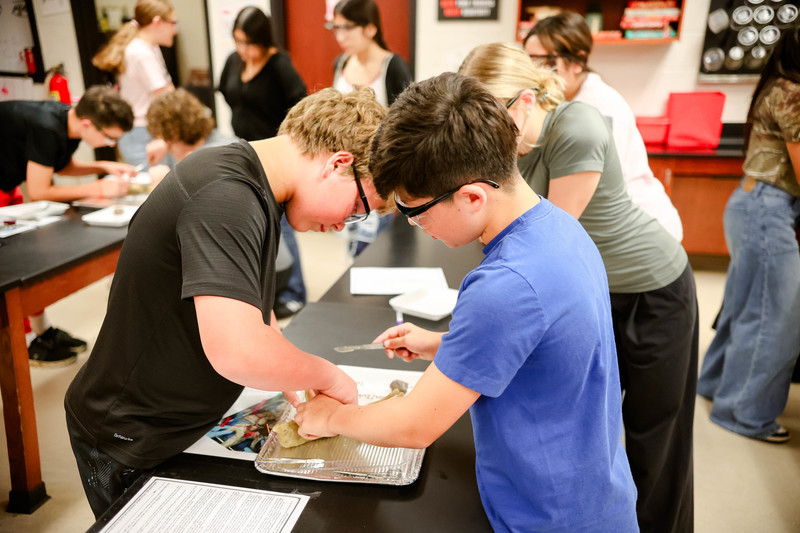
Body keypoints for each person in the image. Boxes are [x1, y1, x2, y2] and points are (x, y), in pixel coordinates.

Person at [294, 72, 638, 532]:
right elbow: (542, 346)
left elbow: (413, 426)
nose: (417, 226)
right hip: (593, 491)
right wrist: (444, 344)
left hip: (548, 516)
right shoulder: (557, 226)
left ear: (472, 196)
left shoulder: (505, 284)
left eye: (414, 212)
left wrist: (332, 414)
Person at [64, 87, 388, 518]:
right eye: (358, 207)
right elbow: (237, 350)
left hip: (178, 420)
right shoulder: (227, 197)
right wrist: (327, 376)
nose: (343, 224)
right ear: (338, 164)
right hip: (131, 434)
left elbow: (254, 309)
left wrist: (295, 385)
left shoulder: (253, 184)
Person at [459, 43, 698, 533]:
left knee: (657, 437)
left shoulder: (577, 125)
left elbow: (548, 241)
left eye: (491, 115)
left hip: (651, 289)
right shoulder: (514, 142)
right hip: (598, 289)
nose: (483, 133)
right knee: (596, 429)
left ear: (525, 101)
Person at [697, 27, 800, 444]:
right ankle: (743, 413)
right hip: (768, 210)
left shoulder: (777, 85)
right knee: (776, 318)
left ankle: (715, 384)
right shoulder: (793, 93)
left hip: (753, 205)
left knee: (746, 306)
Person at [0, 85, 136, 366]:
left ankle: (42, 331)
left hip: (8, 182)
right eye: (109, 138)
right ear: (88, 124)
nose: (111, 144)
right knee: (11, 269)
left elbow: (60, 166)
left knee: (30, 257)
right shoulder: (47, 127)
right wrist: (99, 186)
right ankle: (23, 344)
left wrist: (105, 168)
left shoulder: (69, 122)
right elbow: (39, 190)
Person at [524, 10, 683, 242]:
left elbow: (583, 184)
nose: (534, 72)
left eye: (543, 62)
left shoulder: (600, 108)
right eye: (528, 60)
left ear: (577, 61)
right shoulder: (562, 100)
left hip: (644, 229)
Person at [218, 5, 308, 318]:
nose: (241, 49)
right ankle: (266, 288)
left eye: (247, 42)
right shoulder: (233, 61)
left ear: (262, 39)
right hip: (245, 152)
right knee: (259, 222)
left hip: (276, 156)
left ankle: (295, 292)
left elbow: (300, 106)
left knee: (283, 223)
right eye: (237, 42)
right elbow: (227, 93)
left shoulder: (279, 64)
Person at [330, 0, 413, 255]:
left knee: (378, 250)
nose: (340, 36)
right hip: (344, 173)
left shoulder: (393, 66)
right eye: (335, 28)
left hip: (379, 177)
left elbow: (407, 129)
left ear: (370, 28)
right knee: (352, 247)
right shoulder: (341, 63)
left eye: (347, 28)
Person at [92, 0, 177, 167]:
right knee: (155, 188)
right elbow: (167, 98)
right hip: (143, 134)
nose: (175, 30)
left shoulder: (148, 47)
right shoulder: (141, 53)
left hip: (145, 131)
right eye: (173, 23)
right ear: (157, 22)